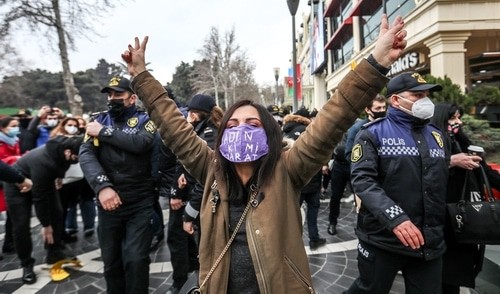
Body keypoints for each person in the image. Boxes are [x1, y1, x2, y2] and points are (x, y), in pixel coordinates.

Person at [121, 13, 407, 293]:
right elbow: (173, 128)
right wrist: (141, 77)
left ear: (269, 134)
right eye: (232, 125)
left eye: (252, 123)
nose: (241, 130)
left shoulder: (287, 168)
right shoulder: (210, 169)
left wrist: (376, 64)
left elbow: (335, 117)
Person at [346, 70, 447, 293]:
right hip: (383, 240)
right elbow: (363, 180)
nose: (425, 101)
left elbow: (436, 180)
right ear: (395, 99)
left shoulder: (437, 136)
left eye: (427, 95)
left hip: (427, 243)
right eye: (417, 95)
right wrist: (396, 218)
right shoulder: (372, 133)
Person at [79, 76, 157, 293]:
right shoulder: (99, 120)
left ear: (132, 98)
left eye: (118, 95)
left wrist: (104, 133)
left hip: (139, 201)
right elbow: (86, 155)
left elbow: (140, 143)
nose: (112, 99)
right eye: (110, 94)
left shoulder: (145, 120)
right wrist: (102, 186)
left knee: (136, 259)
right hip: (107, 203)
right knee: (111, 262)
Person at [431, 102, 500, 293]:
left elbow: (487, 173)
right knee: (443, 274)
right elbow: (422, 171)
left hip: (467, 217)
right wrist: (451, 162)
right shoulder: (431, 143)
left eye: (459, 118)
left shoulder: (464, 142)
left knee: (459, 271)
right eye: (452, 118)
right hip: (442, 217)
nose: (457, 123)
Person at [4, 135, 82, 284]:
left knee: (57, 213)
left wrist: (59, 177)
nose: (78, 160)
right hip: (17, 186)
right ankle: (26, 264)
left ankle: (54, 252)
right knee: (21, 226)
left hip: (44, 180)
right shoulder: (45, 161)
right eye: (77, 157)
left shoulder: (64, 150)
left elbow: (62, 165)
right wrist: (46, 225)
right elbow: (39, 199)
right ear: (67, 152)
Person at [165, 94, 222, 294]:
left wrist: (190, 212)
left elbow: (208, 176)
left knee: (200, 245)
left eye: (190, 112)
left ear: (196, 114)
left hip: (199, 199)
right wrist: (182, 177)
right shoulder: (200, 129)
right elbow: (185, 162)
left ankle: (194, 283)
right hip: (193, 195)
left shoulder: (209, 133)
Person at [327, 94, 387, 235]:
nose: (382, 110)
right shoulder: (358, 128)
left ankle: (363, 226)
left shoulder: (387, 126)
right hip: (343, 167)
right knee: (336, 196)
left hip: (368, 170)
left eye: (384, 107)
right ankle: (332, 222)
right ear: (368, 110)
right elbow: (348, 153)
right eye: (378, 107)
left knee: (364, 200)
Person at [282, 107, 327, 249]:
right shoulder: (309, 131)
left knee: (292, 214)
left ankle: (290, 242)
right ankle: (314, 238)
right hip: (311, 178)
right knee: (312, 211)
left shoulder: (285, 130)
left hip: (294, 180)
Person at [0, 116, 22, 258]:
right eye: (12, 126)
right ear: (2, 128)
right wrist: (14, 159)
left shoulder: (14, 141)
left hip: (10, 181)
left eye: (17, 125)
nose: (16, 128)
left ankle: (9, 242)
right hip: (2, 181)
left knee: (11, 213)